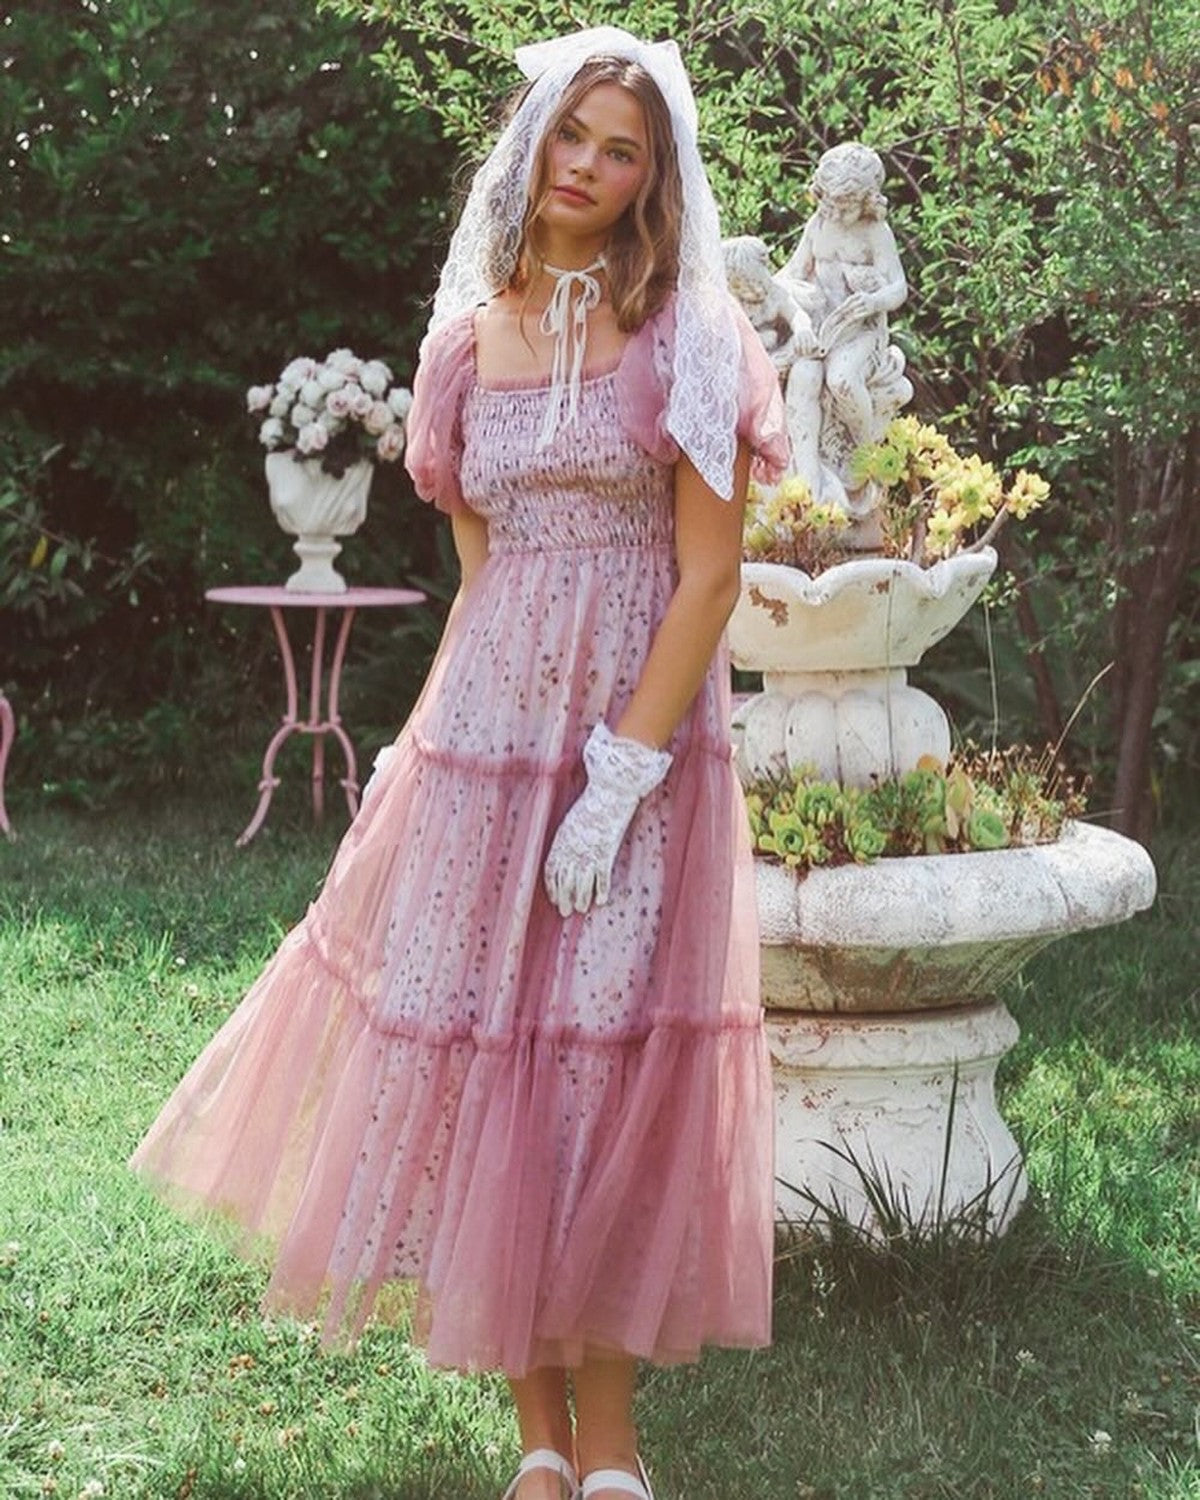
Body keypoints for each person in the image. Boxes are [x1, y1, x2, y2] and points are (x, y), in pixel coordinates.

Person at [131, 26, 788, 1500]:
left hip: (639, 748)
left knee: (599, 1061)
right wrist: (424, 743)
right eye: (572, 136)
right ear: (533, 138)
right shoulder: (460, 342)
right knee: (489, 1046)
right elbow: (485, 580)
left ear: (652, 179)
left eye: (623, 152)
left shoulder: (689, 333)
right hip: (486, 746)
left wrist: (624, 774)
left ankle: (612, 1431)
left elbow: (705, 579)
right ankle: (536, 1435)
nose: (589, 169)